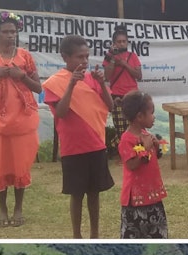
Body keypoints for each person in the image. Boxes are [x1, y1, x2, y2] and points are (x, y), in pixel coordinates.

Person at [42, 35, 114, 239]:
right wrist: (71, 85)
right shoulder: (55, 83)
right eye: (79, 57)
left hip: (96, 142)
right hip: (73, 147)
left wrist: (102, 83)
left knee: (94, 192)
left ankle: (94, 233)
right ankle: (76, 235)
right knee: (77, 194)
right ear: (65, 57)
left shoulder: (92, 78)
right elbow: (62, 113)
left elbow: (110, 106)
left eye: (87, 56)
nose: (84, 61)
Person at [0, 13, 41, 229]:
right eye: (6, 32)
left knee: (21, 166)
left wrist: (21, 76)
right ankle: (2, 209)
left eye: (14, 32)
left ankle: (18, 208)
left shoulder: (25, 57)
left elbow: (39, 88)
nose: (11, 35)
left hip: (23, 121)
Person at [117, 90, 167, 239]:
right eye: (151, 112)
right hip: (135, 203)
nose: (154, 117)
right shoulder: (126, 140)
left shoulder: (146, 135)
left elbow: (152, 159)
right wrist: (144, 149)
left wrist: (156, 147)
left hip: (153, 198)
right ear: (139, 116)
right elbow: (131, 165)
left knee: (158, 234)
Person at [104, 25, 142, 147]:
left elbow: (139, 75)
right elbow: (107, 77)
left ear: (127, 42)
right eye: (119, 42)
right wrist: (113, 60)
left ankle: (138, 151)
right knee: (121, 129)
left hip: (133, 96)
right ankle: (124, 153)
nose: (121, 44)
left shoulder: (133, 56)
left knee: (136, 126)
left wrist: (125, 64)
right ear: (114, 43)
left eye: (124, 41)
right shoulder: (109, 57)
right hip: (117, 96)